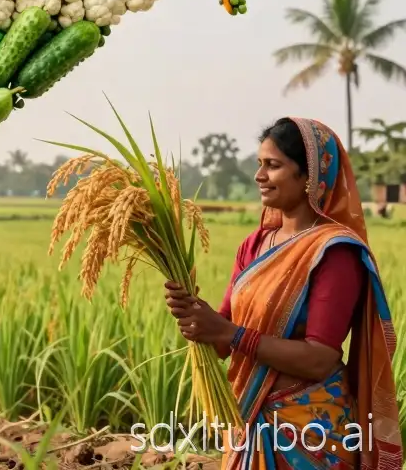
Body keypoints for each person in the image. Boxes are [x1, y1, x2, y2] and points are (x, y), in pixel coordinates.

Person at [164, 117, 401, 470]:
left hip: (310, 432)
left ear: (308, 177)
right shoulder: (254, 244)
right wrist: (196, 316)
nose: (259, 175)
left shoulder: (334, 251)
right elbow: (222, 342)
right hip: (247, 422)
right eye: (259, 164)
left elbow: (319, 357)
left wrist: (229, 332)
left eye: (272, 165)